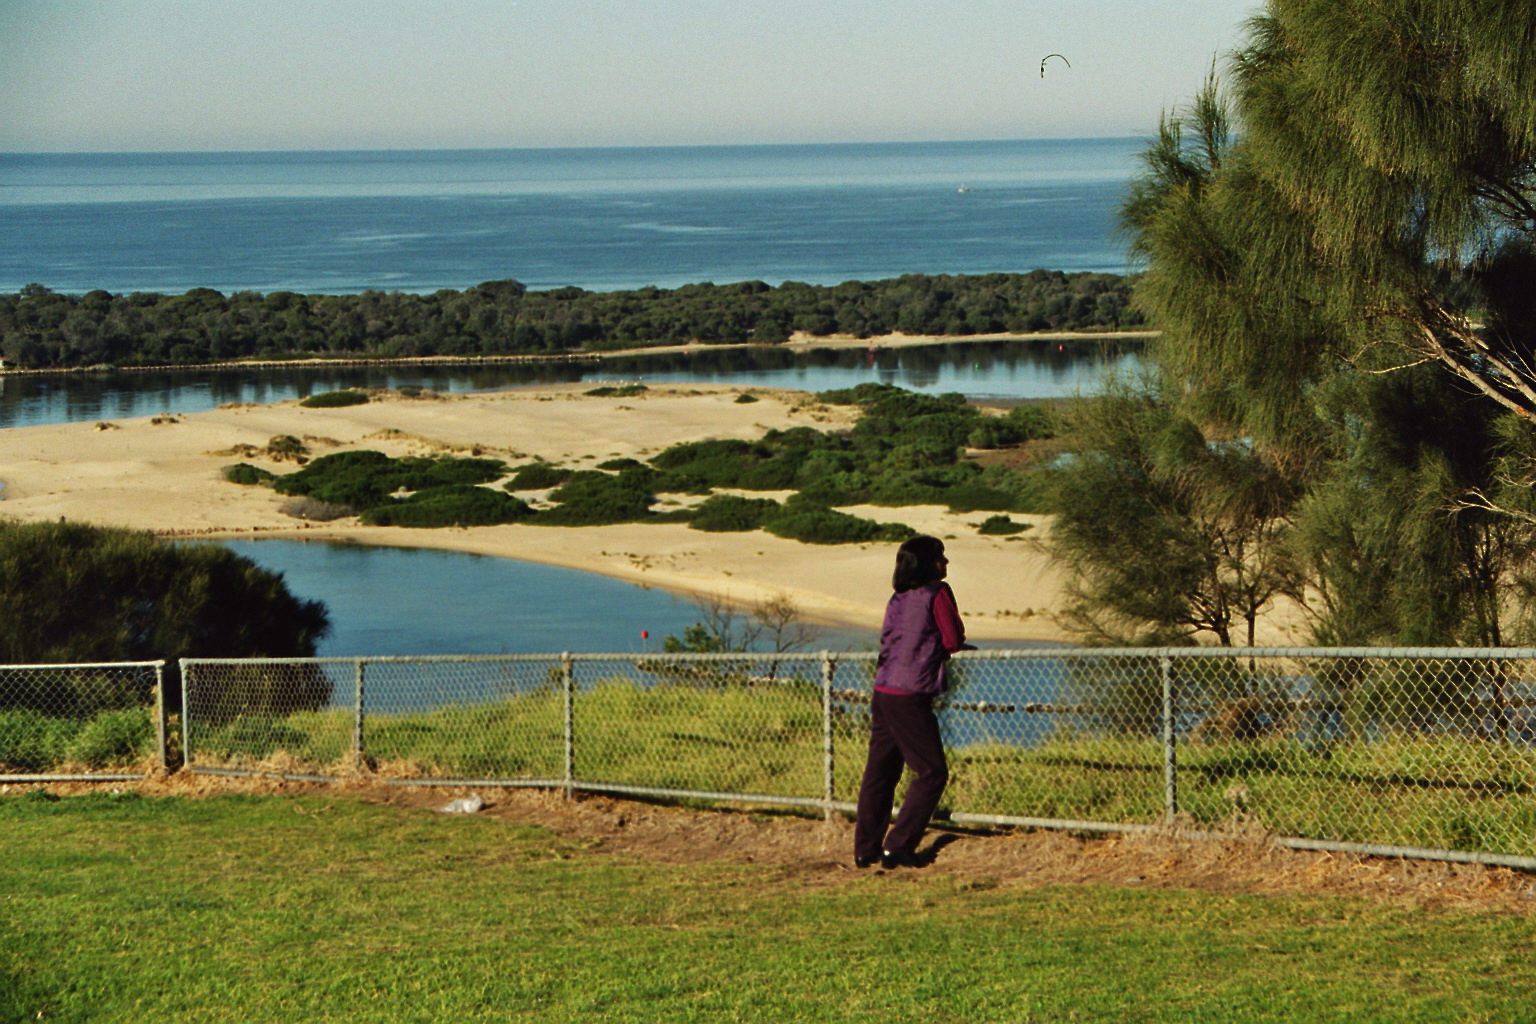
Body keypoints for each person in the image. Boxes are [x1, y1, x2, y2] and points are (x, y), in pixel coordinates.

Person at [854, 535, 974, 869]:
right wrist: (955, 648)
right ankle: (899, 845)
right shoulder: (938, 593)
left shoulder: (898, 597)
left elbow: (888, 640)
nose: (946, 563)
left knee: (880, 773)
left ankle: (866, 849)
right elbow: (952, 638)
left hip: (884, 690)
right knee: (932, 772)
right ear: (929, 564)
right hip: (911, 694)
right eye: (941, 557)